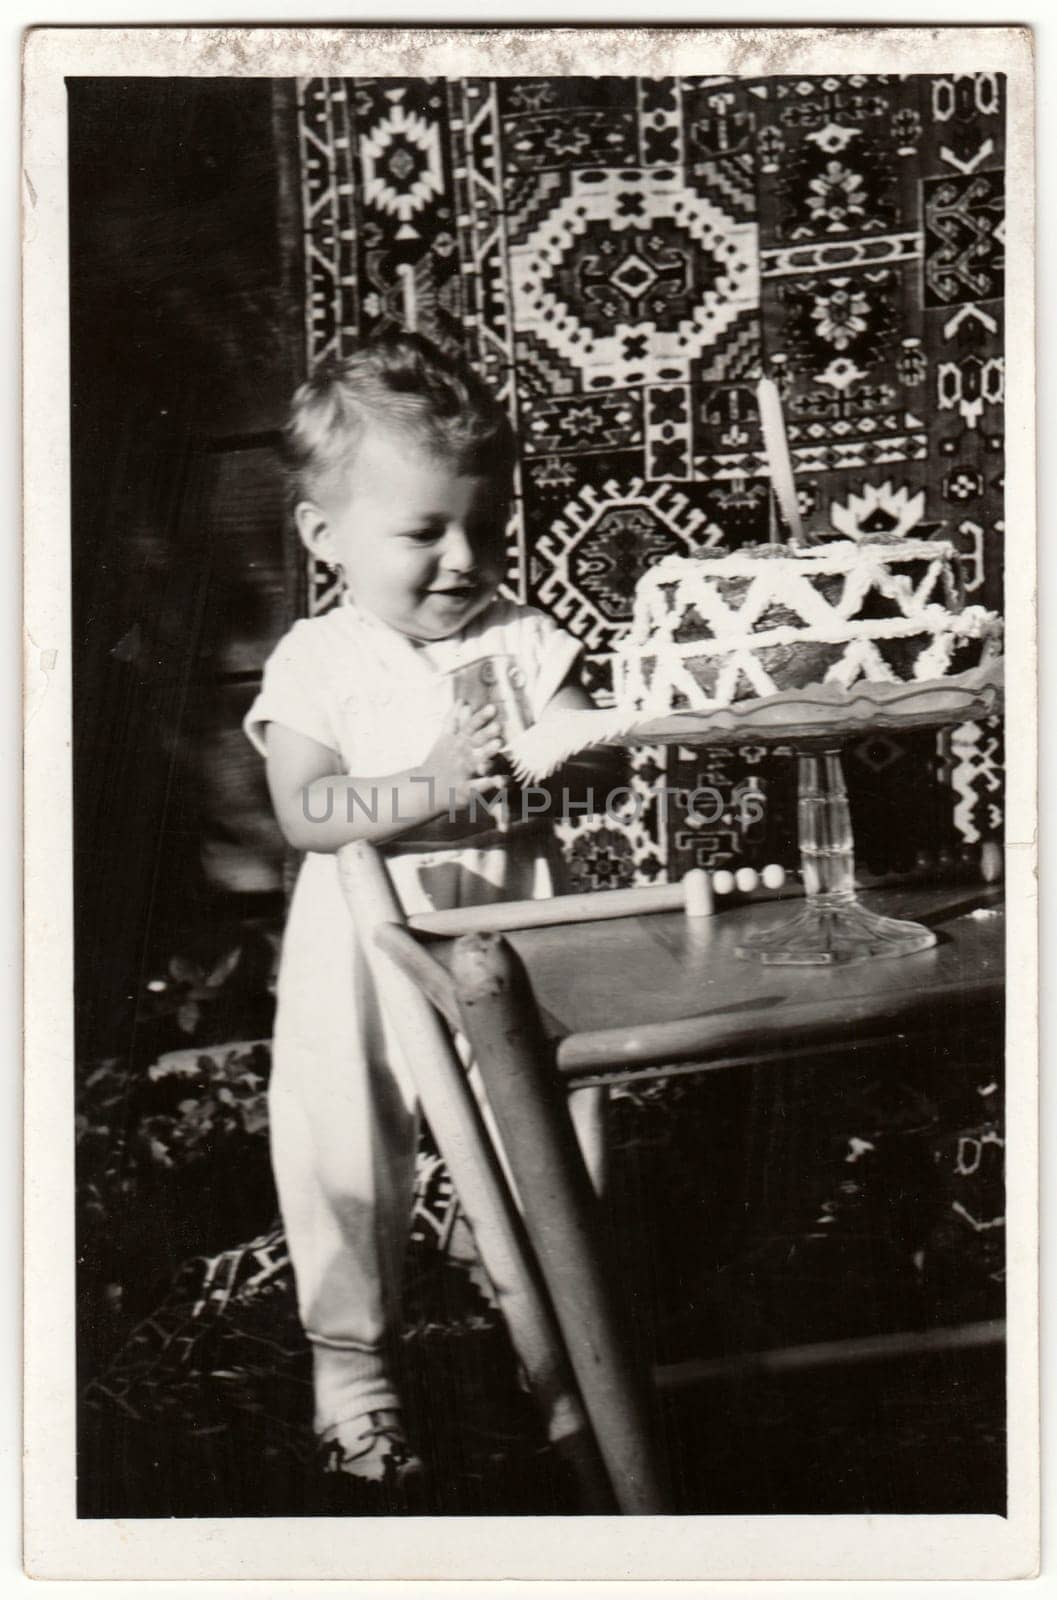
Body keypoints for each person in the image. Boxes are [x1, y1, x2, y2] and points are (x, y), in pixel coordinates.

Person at [244, 333, 615, 1494]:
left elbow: (598, 753)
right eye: (424, 534)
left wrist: (568, 754)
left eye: (486, 529)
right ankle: (353, 1374)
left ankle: (563, 1367)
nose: (464, 561)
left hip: (509, 930)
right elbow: (306, 810)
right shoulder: (319, 659)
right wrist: (436, 785)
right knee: (340, 1140)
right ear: (324, 538)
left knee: (553, 1138)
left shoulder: (522, 639)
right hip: (360, 944)